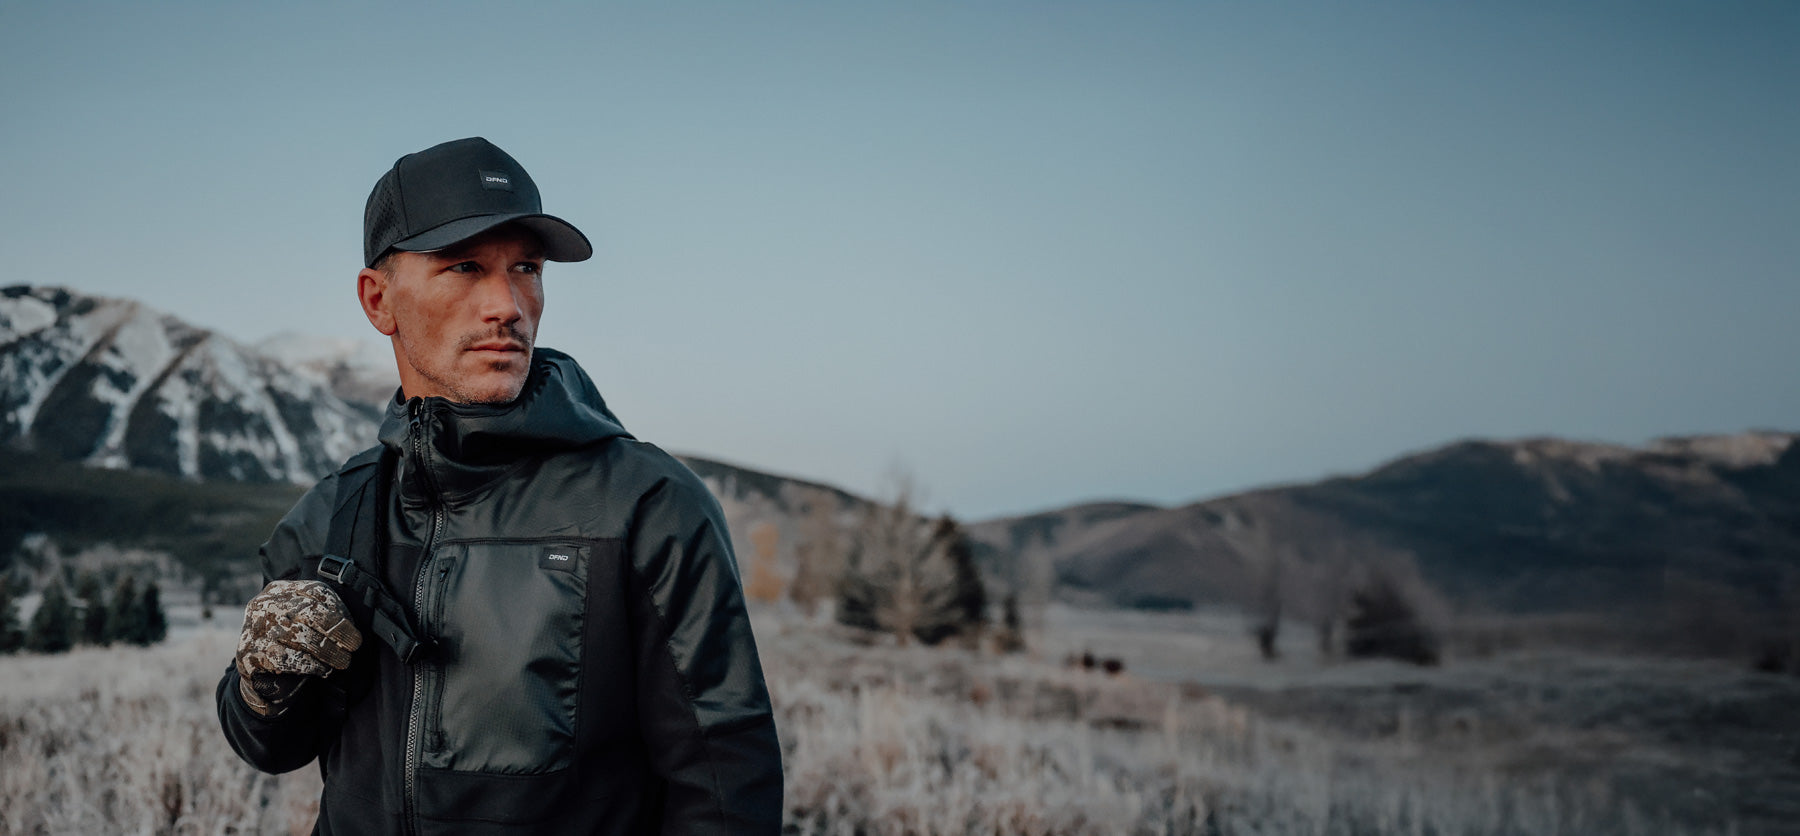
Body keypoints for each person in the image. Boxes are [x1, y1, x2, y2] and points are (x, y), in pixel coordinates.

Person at [216, 137, 783, 835]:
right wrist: (262, 686)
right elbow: (269, 747)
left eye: (526, 268)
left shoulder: (649, 506)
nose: (508, 305)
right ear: (378, 299)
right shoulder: (333, 515)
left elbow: (726, 790)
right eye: (464, 267)